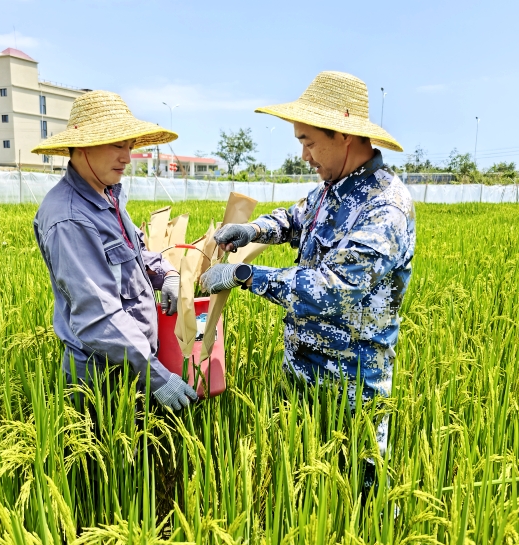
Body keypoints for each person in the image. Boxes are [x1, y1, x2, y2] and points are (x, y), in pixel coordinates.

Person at [200, 71, 416, 467]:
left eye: (309, 142)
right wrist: (253, 230)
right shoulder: (331, 189)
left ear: (344, 135)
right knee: (299, 489)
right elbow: (294, 218)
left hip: (350, 391)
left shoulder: (386, 206)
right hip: (301, 376)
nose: (304, 156)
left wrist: (246, 276)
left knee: (355, 495)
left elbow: (334, 288)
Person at [31, 90, 197, 411]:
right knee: (110, 443)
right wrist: (156, 376)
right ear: (84, 145)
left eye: (130, 146)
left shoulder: (107, 195)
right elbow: (96, 315)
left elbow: (133, 252)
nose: (127, 158)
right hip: (103, 378)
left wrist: (165, 273)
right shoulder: (69, 218)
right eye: (117, 145)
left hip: (134, 366)